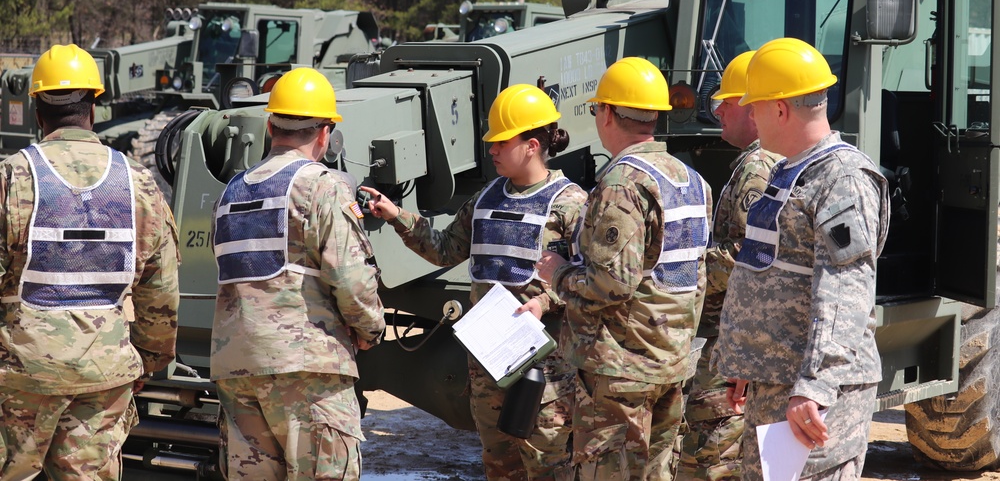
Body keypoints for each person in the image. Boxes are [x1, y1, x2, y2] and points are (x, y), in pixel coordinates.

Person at [362, 83, 587, 481]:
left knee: (548, 465)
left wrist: (545, 302)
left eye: (501, 142)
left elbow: (589, 279)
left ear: (532, 145)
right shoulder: (487, 198)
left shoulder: (570, 203)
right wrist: (396, 215)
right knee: (498, 465)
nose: (492, 150)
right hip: (488, 362)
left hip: (545, 366)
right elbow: (445, 249)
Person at [712, 38, 890, 481]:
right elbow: (769, 268)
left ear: (779, 109)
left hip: (814, 392)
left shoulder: (842, 178)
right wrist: (746, 361)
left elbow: (846, 289)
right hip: (778, 381)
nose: (749, 116)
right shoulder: (789, 170)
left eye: (754, 106)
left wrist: (816, 386)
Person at [0, 43, 180, 480]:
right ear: (94, 106)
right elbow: (161, 291)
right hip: (105, 371)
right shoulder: (138, 184)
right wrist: (149, 359)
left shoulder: (11, 177)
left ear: (36, 107)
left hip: (23, 373)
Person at [536, 57, 713, 481]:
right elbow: (695, 274)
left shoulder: (623, 184)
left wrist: (557, 272)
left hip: (620, 371)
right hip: (670, 360)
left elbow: (611, 283)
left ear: (608, 112)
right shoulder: (691, 179)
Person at [210, 67, 385, 481]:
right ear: (325, 134)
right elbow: (351, 278)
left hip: (239, 368)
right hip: (307, 368)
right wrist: (370, 328)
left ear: (271, 126)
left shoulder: (231, 191)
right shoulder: (323, 186)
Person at [677, 51, 779, 481]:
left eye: (729, 102)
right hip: (742, 340)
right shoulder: (771, 163)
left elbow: (746, 258)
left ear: (754, 108)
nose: (717, 109)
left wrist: (687, 269)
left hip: (730, 340)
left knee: (711, 457)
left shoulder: (757, 170)